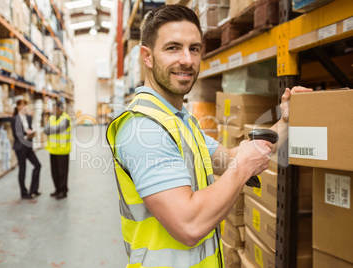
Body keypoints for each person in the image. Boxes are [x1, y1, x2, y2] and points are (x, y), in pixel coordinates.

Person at [106, 4, 312, 268]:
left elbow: (230, 159)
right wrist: (242, 169)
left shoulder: (181, 123)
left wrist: (285, 121)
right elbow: (189, 225)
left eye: (194, 48)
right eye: (173, 48)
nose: (187, 60)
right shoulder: (143, 128)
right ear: (147, 56)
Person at [11, 99, 41, 200]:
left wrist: (32, 134)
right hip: (20, 147)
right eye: (21, 105)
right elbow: (16, 134)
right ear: (18, 107)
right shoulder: (15, 119)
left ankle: (34, 190)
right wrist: (25, 133)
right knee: (22, 169)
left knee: (37, 165)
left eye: (25, 105)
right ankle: (24, 193)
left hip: (28, 146)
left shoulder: (28, 117)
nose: (23, 107)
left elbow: (30, 128)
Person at [44, 100, 72, 200]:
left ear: (60, 109)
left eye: (55, 108)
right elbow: (45, 130)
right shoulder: (51, 118)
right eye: (53, 108)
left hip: (63, 150)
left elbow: (60, 129)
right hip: (52, 150)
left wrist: (51, 129)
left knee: (62, 172)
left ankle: (63, 191)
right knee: (54, 172)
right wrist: (52, 130)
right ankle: (57, 189)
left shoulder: (66, 119)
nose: (53, 110)